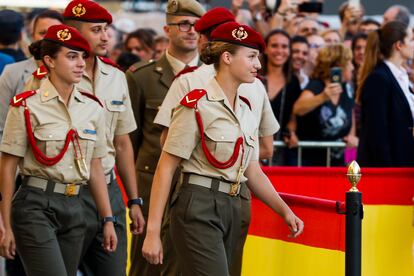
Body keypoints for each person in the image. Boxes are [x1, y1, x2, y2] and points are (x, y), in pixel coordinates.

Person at [142, 21, 303, 276]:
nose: (258, 65)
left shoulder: (246, 109)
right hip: (198, 205)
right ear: (227, 57)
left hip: (235, 206)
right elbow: (166, 167)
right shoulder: (195, 103)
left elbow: (253, 170)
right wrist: (152, 232)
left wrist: (284, 210)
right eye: (251, 57)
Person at [0, 24, 117, 276]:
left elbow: (95, 166)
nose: (80, 64)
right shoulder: (26, 106)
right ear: (49, 61)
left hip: (77, 206)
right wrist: (5, 224)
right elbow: (8, 166)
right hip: (35, 205)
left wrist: (107, 219)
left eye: (82, 57)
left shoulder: (93, 108)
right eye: (71, 56)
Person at [62, 1, 145, 275]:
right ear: (73, 32)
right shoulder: (48, 78)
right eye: (96, 30)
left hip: (109, 191)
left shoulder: (117, 77)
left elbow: (122, 143)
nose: (105, 36)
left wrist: (134, 200)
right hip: (66, 192)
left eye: (106, 29)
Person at [126, 0, 205, 275]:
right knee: (146, 264)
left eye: (197, 26)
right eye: (184, 24)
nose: (191, 31)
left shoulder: (214, 75)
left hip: (197, 190)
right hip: (151, 187)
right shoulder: (141, 77)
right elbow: (130, 142)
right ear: (167, 30)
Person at [0, 9, 63, 142]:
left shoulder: (74, 76)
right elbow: (2, 126)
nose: (48, 38)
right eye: (42, 33)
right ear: (32, 35)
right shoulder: (12, 73)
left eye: (55, 33)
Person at [357, 21, 414, 167]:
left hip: (404, 162)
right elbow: (377, 131)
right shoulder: (379, 79)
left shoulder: (401, 76)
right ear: (399, 45)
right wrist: (387, 171)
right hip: (388, 168)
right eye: (411, 40)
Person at [293, 44, 357, 166]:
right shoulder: (316, 86)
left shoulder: (347, 89)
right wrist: (322, 97)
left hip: (338, 165)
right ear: (338, 66)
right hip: (312, 166)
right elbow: (298, 108)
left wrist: (351, 163)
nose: (352, 67)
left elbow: (351, 134)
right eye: (349, 63)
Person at [260, 29, 302, 165]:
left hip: (279, 150)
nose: (279, 50)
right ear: (265, 49)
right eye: (274, 45)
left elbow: (293, 115)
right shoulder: (253, 77)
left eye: (284, 46)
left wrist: (291, 131)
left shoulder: (293, 81)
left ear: (289, 51)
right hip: (252, 149)